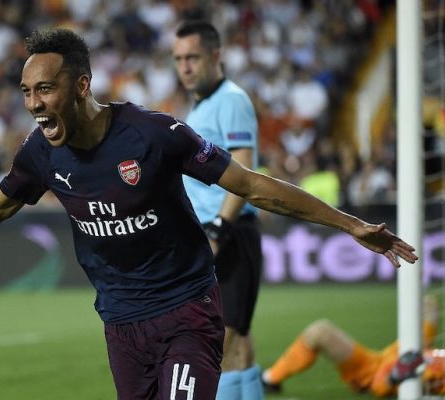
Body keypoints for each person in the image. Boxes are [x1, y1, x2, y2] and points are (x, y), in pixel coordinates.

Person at [0, 27, 418, 400]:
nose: (35, 103)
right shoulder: (40, 152)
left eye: (45, 88)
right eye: (26, 92)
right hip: (120, 324)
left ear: (81, 85)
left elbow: (252, 185)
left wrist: (351, 225)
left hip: (186, 310)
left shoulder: (155, 135)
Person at [173, 20, 263, 400]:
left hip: (229, 233)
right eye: (179, 59)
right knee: (237, 341)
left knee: (221, 344)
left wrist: (217, 229)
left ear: (216, 55)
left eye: (193, 57)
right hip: (218, 232)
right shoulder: (202, 106)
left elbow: (243, 170)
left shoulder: (231, 100)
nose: (185, 67)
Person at [261, 295, 445, 397]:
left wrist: (394, 377)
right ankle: (271, 379)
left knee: (319, 332)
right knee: (429, 302)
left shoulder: (438, 380)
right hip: (401, 350)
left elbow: (380, 388)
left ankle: (270, 380)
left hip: (373, 373)